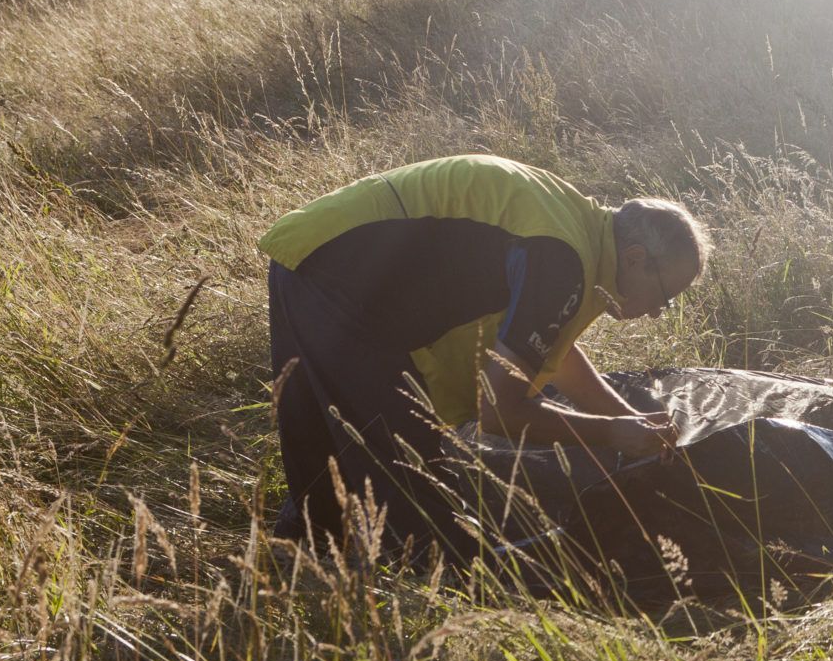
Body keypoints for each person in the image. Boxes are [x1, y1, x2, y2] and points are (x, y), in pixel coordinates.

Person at [260, 152, 709, 562]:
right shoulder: (563, 259)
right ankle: (415, 610)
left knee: (322, 437)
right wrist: (612, 433)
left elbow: (553, 348)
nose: (656, 313)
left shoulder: (577, 231)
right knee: (411, 487)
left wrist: (630, 418)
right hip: (341, 272)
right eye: (666, 297)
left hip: (311, 252)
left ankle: (299, 559)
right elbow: (499, 413)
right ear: (634, 259)